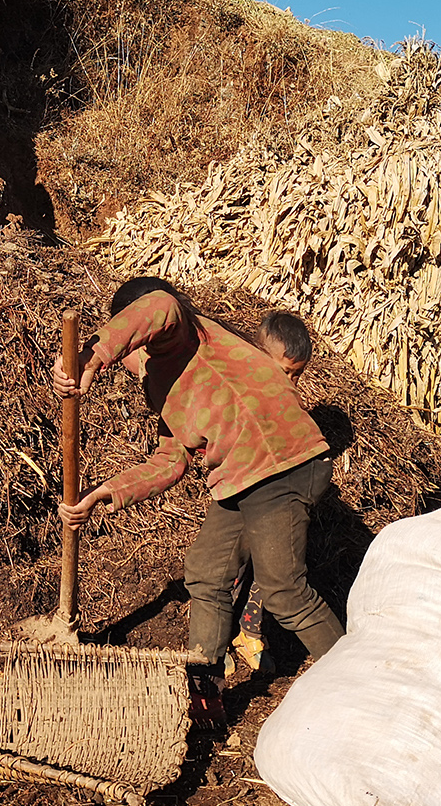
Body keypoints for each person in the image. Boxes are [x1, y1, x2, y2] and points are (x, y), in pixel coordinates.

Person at [53, 278, 343, 706]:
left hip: (281, 461)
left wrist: (92, 355)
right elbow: (171, 460)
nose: (129, 358)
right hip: (244, 475)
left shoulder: (186, 332)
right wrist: (102, 495)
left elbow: (160, 304)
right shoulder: (160, 384)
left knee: (284, 592)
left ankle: (360, 684)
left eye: (130, 341)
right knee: (206, 571)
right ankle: (204, 695)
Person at [229, 310, 317, 672]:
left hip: (272, 497)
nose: (292, 383)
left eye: (297, 375)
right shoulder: (235, 389)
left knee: (269, 568)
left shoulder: (287, 404)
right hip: (238, 492)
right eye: (286, 373)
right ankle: (215, 645)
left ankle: (249, 632)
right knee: (228, 567)